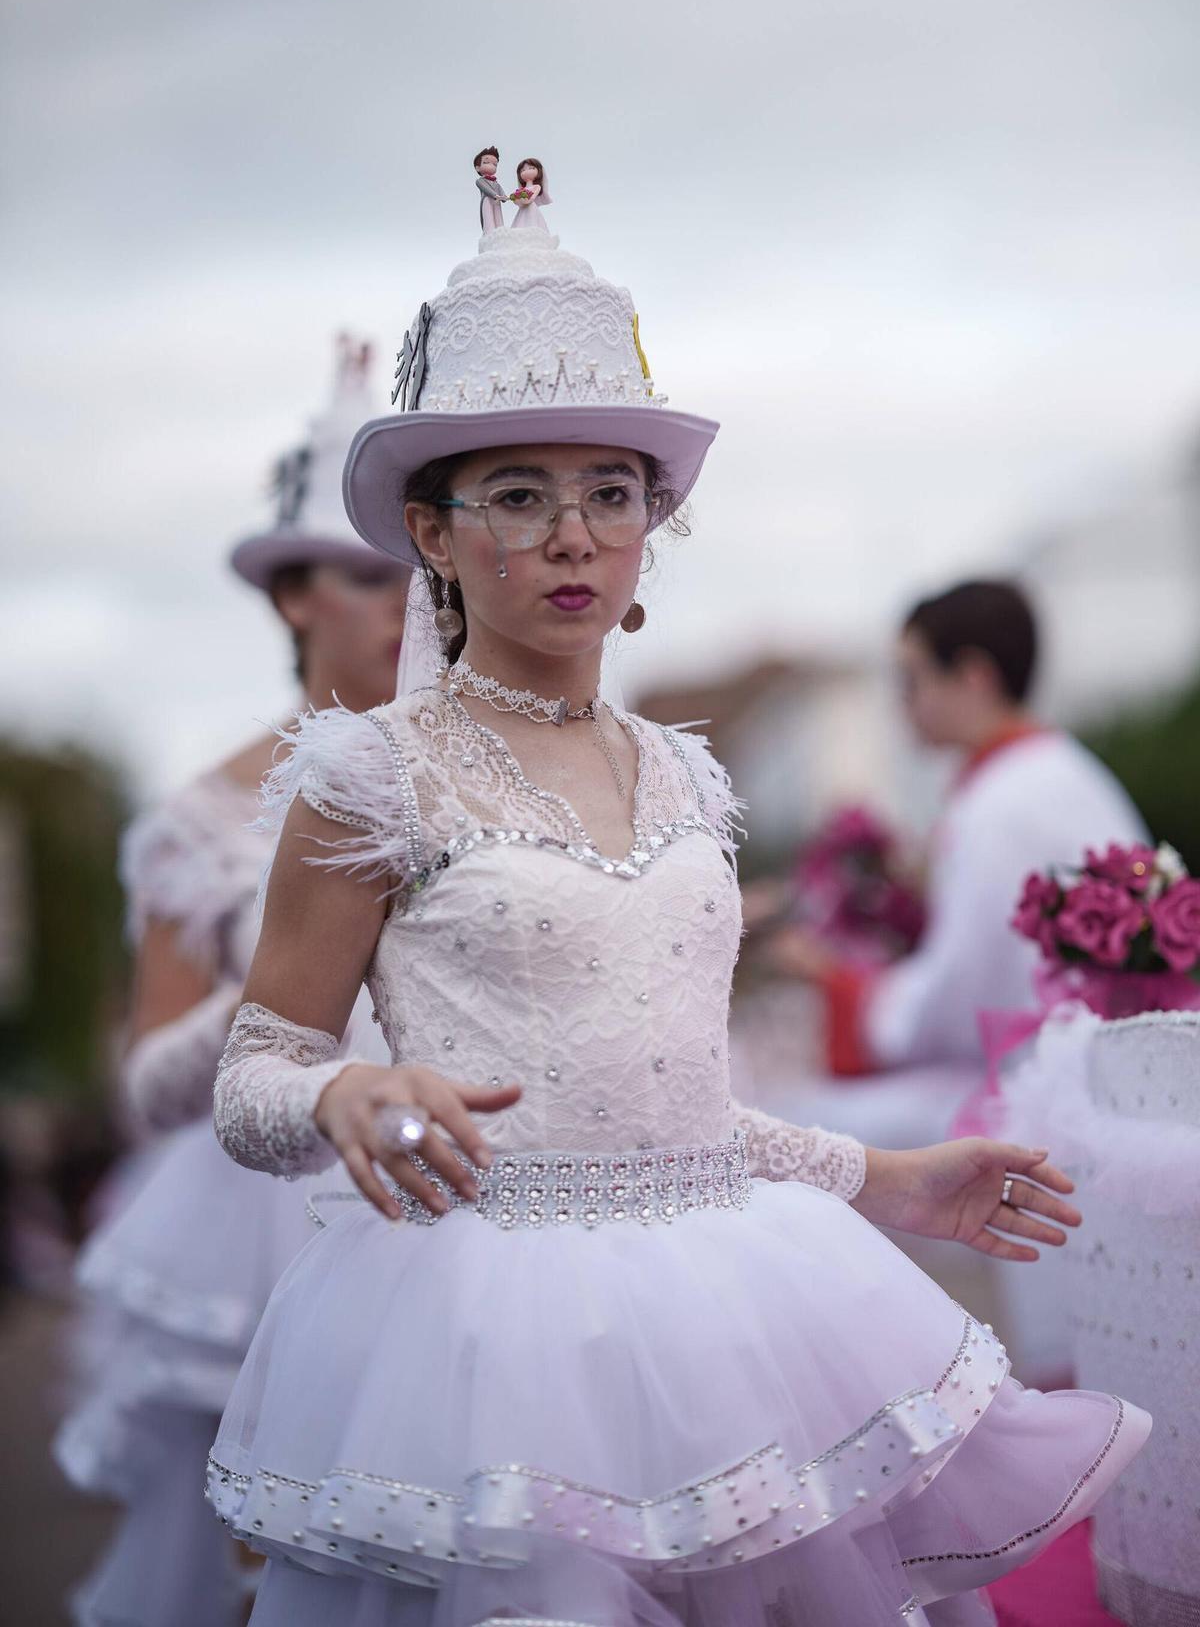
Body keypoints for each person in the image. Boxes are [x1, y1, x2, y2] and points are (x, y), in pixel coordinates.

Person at [204, 224, 1148, 1626]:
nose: (573, 533)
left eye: (610, 491)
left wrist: (883, 1180)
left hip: (729, 1314)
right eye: (517, 495)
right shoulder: (371, 772)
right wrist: (347, 1088)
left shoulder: (687, 775)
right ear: (432, 532)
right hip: (484, 1357)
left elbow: (680, 1109)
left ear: (652, 523)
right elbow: (248, 1079)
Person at [55, 339, 410, 1627]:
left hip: (452, 1192)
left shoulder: (483, 770)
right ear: (291, 599)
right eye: (367, 576)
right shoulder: (199, 818)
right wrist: (283, 972)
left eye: (413, 576)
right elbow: (141, 1086)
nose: (398, 604)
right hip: (257, 1216)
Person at [764, 580, 1147, 1152]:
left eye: (912, 679)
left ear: (973, 676)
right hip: (1106, 1067)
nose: (903, 702)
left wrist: (839, 982)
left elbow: (963, 997)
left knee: (790, 1133)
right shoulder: (1065, 770)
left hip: (1043, 1084)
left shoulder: (999, 803)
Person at [509, 154, 552, 233]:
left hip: (531, 207)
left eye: (531, 168)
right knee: (520, 224)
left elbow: (531, 198)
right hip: (523, 208)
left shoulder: (536, 187)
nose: (526, 171)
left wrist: (524, 199)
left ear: (538, 171)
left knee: (532, 222)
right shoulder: (522, 189)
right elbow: (517, 200)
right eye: (523, 170)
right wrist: (516, 198)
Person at [473, 145, 508, 234]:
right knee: (488, 218)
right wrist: (495, 195)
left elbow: (500, 189)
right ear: (477, 167)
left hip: (497, 201)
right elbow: (486, 189)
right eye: (486, 162)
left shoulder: (496, 182)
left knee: (498, 217)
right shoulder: (480, 181)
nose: (491, 166)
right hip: (487, 200)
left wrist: (504, 197)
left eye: (495, 164)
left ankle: (501, 233)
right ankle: (489, 234)